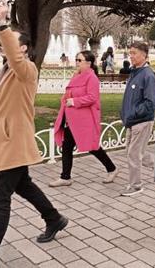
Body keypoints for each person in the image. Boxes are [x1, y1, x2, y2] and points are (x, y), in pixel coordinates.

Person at [0, 1, 67, 268]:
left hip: (14, 143)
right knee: (24, 186)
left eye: (10, 42)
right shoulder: (3, 72)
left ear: (24, 48)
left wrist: (3, 23)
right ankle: (54, 219)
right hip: (6, 143)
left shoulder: (26, 70)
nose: (3, 45)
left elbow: (15, 57)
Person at [49, 51, 118, 187]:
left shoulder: (92, 78)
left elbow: (92, 97)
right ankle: (65, 177)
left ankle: (112, 169)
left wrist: (74, 101)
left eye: (79, 60)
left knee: (92, 147)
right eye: (76, 60)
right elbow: (70, 92)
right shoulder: (77, 76)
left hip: (83, 120)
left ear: (88, 63)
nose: (77, 62)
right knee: (67, 146)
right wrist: (65, 99)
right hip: (70, 119)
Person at [119, 41, 155, 196]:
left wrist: (134, 113)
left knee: (133, 154)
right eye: (130, 53)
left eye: (134, 53)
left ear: (144, 55)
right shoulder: (135, 72)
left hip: (141, 121)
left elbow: (151, 102)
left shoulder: (148, 74)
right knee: (135, 151)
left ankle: (136, 186)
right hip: (132, 120)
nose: (131, 56)